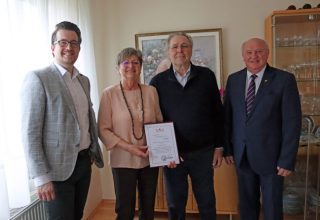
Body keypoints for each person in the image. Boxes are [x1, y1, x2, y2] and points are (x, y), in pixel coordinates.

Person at [21, 21, 104, 220]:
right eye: (63, 42)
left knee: (77, 216)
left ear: (79, 48)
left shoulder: (83, 80)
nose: (69, 47)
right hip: (55, 172)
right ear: (53, 48)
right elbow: (30, 133)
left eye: (74, 43)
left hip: (83, 163)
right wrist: (41, 178)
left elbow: (86, 119)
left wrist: (91, 150)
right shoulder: (37, 78)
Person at [224, 38, 301, 220]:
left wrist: (287, 159)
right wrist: (228, 149)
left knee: (272, 207)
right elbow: (227, 118)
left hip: (273, 159)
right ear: (243, 56)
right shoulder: (234, 80)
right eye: (249, 52)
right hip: (242, 156)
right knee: (246, 206)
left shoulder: (284, 80)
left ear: (267, 54)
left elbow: (292, 122)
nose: (254, 56)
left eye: (259, 51)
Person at [150, 32, 224, 220]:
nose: (179, 50)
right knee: (175, 204)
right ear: (168, 51)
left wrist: (219, 146)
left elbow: (218, 113)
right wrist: (163, 151)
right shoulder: (157, 82)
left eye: (184, 46)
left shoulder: (207, 76)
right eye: (175, 46)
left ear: (191, 50)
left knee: (207, 202)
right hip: (173, 156)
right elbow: (154, 119)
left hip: (203, 153)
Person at [98, 47, 163, 220]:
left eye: (135, 62)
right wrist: (131, 148)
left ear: (141, 67)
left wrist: (163, 148)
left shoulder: (151, 91)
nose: (130, 66)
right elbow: (103, 129)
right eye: (125, 62)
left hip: (149, 159)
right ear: (118, 68)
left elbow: (159, 122)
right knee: (124, 210)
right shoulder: (109, 94)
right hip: (122, 160)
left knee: (148, 209)